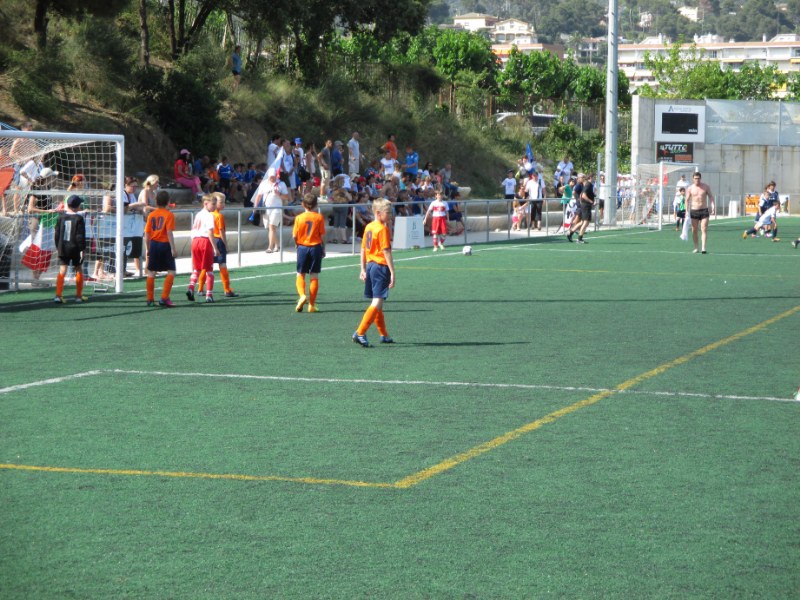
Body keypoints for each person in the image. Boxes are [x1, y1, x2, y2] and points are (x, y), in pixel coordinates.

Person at [352, 199, 396, 347]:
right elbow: (386, 251)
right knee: (377, 301)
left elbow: (363, 249)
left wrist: (363, 268)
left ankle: (384, 335)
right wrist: (392, 272)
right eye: (388, 212)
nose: (390, 215)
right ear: (378, 213)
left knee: (379, 303)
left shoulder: (369, 226)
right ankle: (360, 332)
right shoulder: (382, 229)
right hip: (380, 266)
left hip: (371, 266)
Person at [197, 192, 240, 298]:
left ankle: (200, 288)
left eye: (224, 202)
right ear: (214, 202)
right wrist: (226, 245)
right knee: (222, 264)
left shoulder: (206, 215)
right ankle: (227, 289)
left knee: (206, 265)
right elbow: (221, 232)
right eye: (221, 202)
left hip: (208, 240)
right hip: (218, 241)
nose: (223, 204)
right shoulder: (218, 216)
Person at [293, 192, 326, 313]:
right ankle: (311, 305)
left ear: (303, 204)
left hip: (302, 247)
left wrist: (297, 244)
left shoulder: (299, 218)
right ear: (316, 205)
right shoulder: (319, 217)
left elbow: (294, 235)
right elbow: (322, 235)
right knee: (314, 275)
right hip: (315, 247)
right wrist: (323, 248)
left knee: (300, 273)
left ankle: (302, 295)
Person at [144, 190, 177, 307]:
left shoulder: (151, 215)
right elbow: (169, 232)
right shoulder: (169, 215)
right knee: (171, 271)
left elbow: (147, 234)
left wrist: (148, 248)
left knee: (151, 272)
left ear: (156, 202)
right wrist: (173, 248)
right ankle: (164, 298)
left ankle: (150, 299)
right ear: (168, 202)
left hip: (154, 244)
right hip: (165, 244)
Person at [53, 195, 87, 303]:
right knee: (78, 268)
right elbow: (80, 235)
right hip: (75, 248)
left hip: (63, 247)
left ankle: (58, 296)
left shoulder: (61, 217)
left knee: (62, 269)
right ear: (77, 206)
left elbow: (56, 233)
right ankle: (78, 296)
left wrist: (58, 246)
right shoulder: (79, 218)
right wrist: (82, 249)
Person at [186, 194, 219, 302]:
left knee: (197, 269)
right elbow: (210, 232)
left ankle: (191, 287)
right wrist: (215, 248)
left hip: (195, 241)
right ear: (205, 203)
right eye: (213, 204)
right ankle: (209, 295)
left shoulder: (198, 214)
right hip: (205, 241)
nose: (215, 206)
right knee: (209, 269)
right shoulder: (209, 216)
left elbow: (193, 230)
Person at [252, 167, 288, 253]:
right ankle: (277, 245)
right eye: (271, 176)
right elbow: (259, 196)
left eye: (273, 176)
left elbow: (286, 197)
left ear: (276, 175)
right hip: (266, 208)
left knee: (272, 227)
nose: (272, 178)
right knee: (269, 228)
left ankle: (270, 247)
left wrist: (278, 194)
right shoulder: (264, 183)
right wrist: (255, 206)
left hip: (277, 208)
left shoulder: (281, 184)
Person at [686, 171, 715, 254]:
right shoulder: (690, 188)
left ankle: (703, 248)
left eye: (698, 178)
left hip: (704, 210)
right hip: (694, 210)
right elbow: (687, 200)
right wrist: (686, 211)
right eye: (695, 178)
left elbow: (711, 197)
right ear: (693, 179)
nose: (697, 180)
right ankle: (696, 247)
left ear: (700, 178)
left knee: (704, 229)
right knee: (694, 230)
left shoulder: (705, 187)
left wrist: (713, 206)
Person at [567, 173, 595, 244]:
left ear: (583, 178)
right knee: (586, 222)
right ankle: (579, 238)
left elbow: (581, 195)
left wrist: (581, 202)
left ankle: (570, 232)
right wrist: (591, 202)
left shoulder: (585, 184)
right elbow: (583, 195)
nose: (578, 179)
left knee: (582, 222)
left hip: (583, 205)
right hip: (586, 205)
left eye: (579, 178)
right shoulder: (588, 184)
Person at [423, 187, 448, 251]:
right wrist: (425, 219)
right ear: (436, 196)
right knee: (435, 233)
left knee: (444, 234)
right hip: (435, 219)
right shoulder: (433, 203)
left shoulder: (445, 203)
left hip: (442, 219)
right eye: (439, 195)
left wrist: (448, 219)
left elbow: (447, 212)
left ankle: (440, 243)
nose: (440, 196)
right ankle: (435, 246)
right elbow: (428, 211)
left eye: (441, 195)